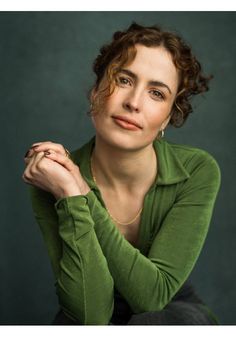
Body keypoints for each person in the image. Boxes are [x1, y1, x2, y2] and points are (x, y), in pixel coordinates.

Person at [22, 23, 221, 325]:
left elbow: (152, 297)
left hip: (172, 303)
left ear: (168, 116)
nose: (134, 102)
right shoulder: (52, 177)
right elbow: (90, 312)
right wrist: (70, 195)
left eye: (156, 93)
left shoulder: (196, 170)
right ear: (95, 91)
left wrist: (83, 193)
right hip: (89, 299)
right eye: (124, 79)